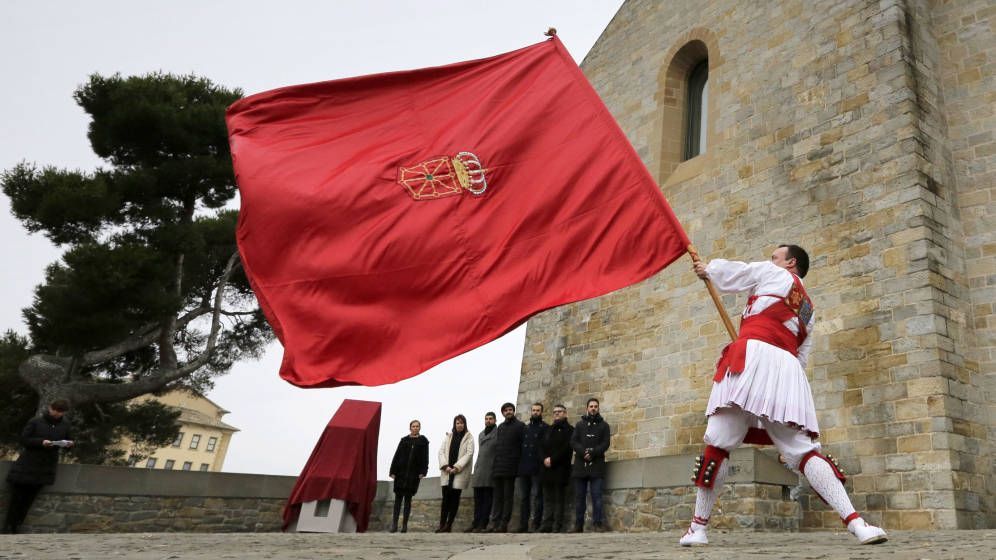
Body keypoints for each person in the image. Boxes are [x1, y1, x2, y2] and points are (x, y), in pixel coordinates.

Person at [680, 245, 887, 546]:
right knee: (804, 451)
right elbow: (802, 354)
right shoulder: (809, 309)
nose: (770, 260)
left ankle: (698, 528)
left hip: (751, 356)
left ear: (790, 263)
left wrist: (709, 269)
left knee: (718, 441)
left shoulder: (772, 272)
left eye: (776, 256)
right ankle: (857, 523)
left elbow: (740, 273)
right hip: (787, 369)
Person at [3, 399, 73, 534]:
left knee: (29, 499)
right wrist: (41, 442)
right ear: (50, 408)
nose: (57, 414)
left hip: (46, 467)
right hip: (27, 464)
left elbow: (68, 440)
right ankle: (8, 526)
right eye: (55, 410)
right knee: (17, 498)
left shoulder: (65, 425)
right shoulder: (36, 421)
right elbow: (24, 439)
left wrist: (69, 445)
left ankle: (17, 525)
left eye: (60, 412)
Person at [570, 397, 610, 532]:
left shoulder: (604, 426)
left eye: (595, 406)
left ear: (598, 408)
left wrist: (593, 452)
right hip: (581, 465)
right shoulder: (579, 425)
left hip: (597, 465)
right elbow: (574, 442)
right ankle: (578, 525)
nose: (593, 408)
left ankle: (597, 524)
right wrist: (583, 452)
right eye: (591, 406)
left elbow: (606, 443)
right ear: (587, 408)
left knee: (597, 496)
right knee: (579, 497)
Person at [485, 402, 524, 533]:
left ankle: (503, 524)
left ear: (513, 411)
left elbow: (521, 448)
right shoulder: (500, 427)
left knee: (508, 498)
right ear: (503, 413)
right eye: (506, 410)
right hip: (498, 468)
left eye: (510, 410)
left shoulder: (520, 426)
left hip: (511, 468)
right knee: (497, 497)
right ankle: (494, 523)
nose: (508, 412)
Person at [388, 419, 429, 533]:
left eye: (417, 426)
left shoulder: (423, 441)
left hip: (413, 474)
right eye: (413, 426)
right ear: (410, 428)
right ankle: (394, 524)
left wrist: (423, 471)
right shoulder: (404, 440)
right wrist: (392, 471)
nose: (415, 428)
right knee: (398, 500)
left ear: (419, 428)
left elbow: (425, 458)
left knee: (408, 500)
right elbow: (396, 455)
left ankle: (404, 525)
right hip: (401, 473)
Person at [436, 414, 474, 533]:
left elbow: (469, 454)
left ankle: (448, 525)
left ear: (465, 424)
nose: (460, 425)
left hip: (458, 472)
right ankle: (441, 525)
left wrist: (457, 467)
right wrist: (445, 466)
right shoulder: (448, 437)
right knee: (445, 499)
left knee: (454, 500)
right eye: (457, 423)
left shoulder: (469, 437)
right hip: (447, 472)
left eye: (462, 423)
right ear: (454, 424)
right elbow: (441, 452)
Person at [538, 404, 573, 533]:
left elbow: (566, 449)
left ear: (565, 413)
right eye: (555, 412)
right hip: (546, 469)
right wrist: (544, 459)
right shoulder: (548, 429)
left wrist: (552, 459)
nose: (557, 414)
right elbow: (540, 447)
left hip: (560, 469)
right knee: (547, 498)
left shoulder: (570, 430)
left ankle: (557, 525)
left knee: (559, 499)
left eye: (560, 411)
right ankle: (546, 523)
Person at [515, 402, 548, 532]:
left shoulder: (545, 428)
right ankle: (523, 524)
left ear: (541, 412)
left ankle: (536, 524)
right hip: (524, 467)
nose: (535, 412)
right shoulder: (525, 428)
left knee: (537, 496)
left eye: (538, 410)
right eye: (533, 410)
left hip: (537, 468)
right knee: (524, 498)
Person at [467, 411, 497, 532]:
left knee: (487, 500)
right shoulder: (481, 434)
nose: (488, 421)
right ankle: (475, 522)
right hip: (479, 470)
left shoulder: (498, 433)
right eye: (486, 419)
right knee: (478, 500)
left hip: (490, 470)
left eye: (490, 419)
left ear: (495, 420)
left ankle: (482, 524)